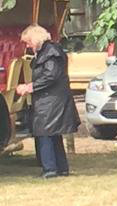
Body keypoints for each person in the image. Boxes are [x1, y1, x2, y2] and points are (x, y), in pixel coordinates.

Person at [16, 24, 78, 178]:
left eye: (28, 42)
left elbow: (51, 76)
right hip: (52, 99)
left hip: (51, 101)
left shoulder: (50, 52)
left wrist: (31, 86)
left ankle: (50, 169)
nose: (27, 46)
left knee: (44, 133)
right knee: (54, 135)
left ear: (35, 39)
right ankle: (61, 168)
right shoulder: (51, 51)